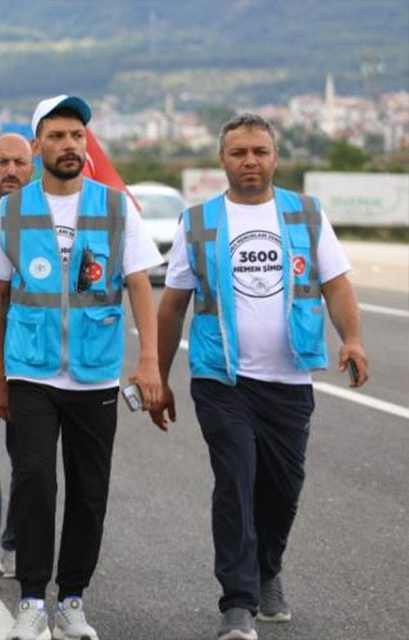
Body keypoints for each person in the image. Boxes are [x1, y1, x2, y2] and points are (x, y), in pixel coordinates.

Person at [151, 114, 369, 640]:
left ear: (275, 156)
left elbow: (337, 285)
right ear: (222, 160)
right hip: (221, 378)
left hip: (289, 380)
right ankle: (239, 602)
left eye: (260, 151)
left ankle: (268, 568)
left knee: (282, 489)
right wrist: (157, 378)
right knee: (235, 482)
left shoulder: (307, 214)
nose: (250, 161)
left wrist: (353, 339)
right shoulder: (199, 222)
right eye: (239, 152)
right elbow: (171, 307)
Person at [0, 95, 164, 640]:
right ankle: (34, 598)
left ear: (86, 144)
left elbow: (139, 286)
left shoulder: (114, 208)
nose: (69, 145)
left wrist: (149, 361)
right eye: (58, 136)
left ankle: (73, 598)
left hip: (95, 373)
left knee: (90, 489)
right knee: (35, 482)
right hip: (31, 371)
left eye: (77, 136)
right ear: (38, 146)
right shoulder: (11, 211)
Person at [0, 132, 35, 584]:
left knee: (29, 460)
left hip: (34, 362)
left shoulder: (45, 219)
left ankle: (15, 544)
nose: (11, 170)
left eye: (19, 162)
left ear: (32, 167)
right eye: (3, 162)